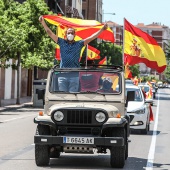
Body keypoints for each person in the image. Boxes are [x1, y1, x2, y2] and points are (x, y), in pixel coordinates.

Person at [39, 16, 108, 92]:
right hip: (62, 75)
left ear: (74, 35)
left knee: (72, 97)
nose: (70, 34)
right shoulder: (61, 42)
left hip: (74, 75)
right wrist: (43, 23)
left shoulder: (79, 44)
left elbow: (91, 38)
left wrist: (102, 29)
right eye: (69, 33)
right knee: (63, 97)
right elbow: (50, 33)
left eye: (72, 33)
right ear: (66, 34)